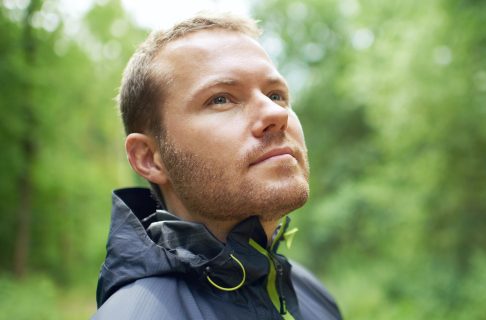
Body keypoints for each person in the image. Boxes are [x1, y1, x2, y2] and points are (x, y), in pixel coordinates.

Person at [92, 12, 341, 320]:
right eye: (221, 99)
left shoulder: (314, 297)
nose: (276, 114)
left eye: (276, 94)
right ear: (148, 157)